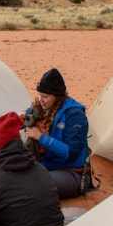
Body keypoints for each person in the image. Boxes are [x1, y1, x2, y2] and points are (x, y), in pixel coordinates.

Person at [20, 68, 90, 199]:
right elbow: (23, 122)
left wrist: (41, 137)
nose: (41, 100)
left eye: (45, 96)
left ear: (57, 96)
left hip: (71, 171)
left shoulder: (75, 115)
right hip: (44, 166)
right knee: (9, 179)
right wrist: (18, 119)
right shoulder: (38, 108)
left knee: (33, 186)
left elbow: (71, 154)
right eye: (39, 95)